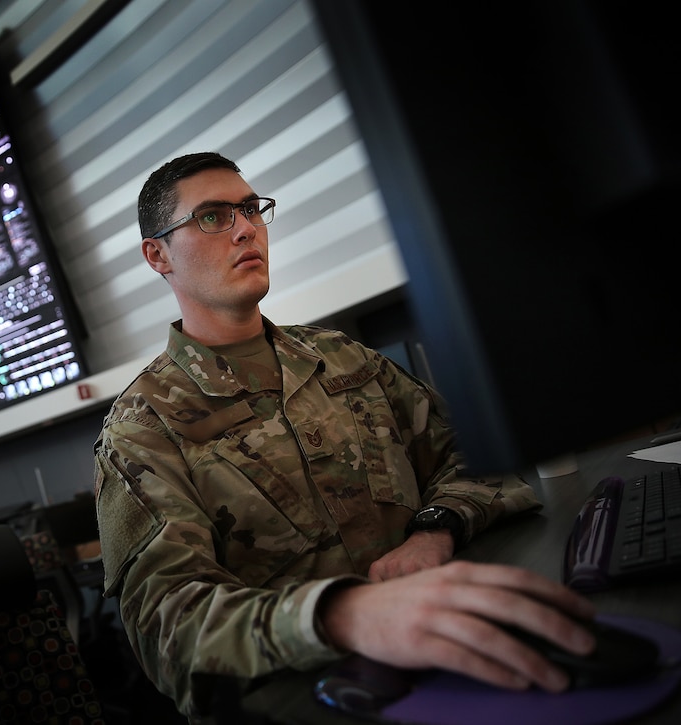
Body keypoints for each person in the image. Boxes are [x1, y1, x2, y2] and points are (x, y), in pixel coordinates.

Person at [92, 151, 597, 721]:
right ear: (157, 254)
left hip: (454, 641)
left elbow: (473, 455)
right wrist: (344, 615)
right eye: (212, 217)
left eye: (251, 209)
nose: (245, 229)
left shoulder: (341, 359)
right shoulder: (143, 429)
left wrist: (435, 529)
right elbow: (168, 625)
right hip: (313, 694)